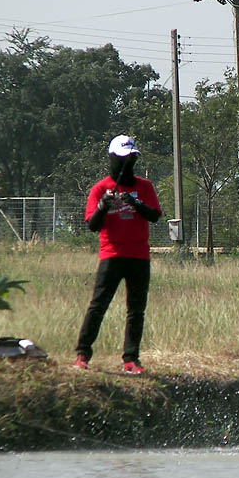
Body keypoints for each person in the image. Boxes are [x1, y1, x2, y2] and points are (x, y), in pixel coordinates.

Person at [73, 135, 162, 374]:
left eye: (131, 159)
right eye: (123, 159)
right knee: (98, 305)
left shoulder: (144, 187)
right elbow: (92, 225)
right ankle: (82, 354)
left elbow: (154, 215)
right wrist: (103, 204)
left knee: (136, 310)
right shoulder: (100, 189)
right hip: (111, 255)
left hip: (139, 256)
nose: (127, 164)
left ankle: (131, 359)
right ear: (112, 159)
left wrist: (135, 204)